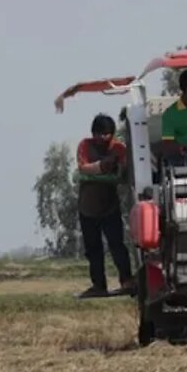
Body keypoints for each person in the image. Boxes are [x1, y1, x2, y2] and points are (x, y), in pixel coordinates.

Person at [76, 113, 135, 298]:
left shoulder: (119, 148)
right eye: (98, 134)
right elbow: (83, 167)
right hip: (87, 208)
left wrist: (115, 168)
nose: (101, 138)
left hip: (109, 206)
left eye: (105, 134)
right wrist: (102, 166)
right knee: (93, 249)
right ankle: (99, 286)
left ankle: (127, 281)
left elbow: (125, 170)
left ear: (112, 133)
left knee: (117, 246)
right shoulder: (85, 145)